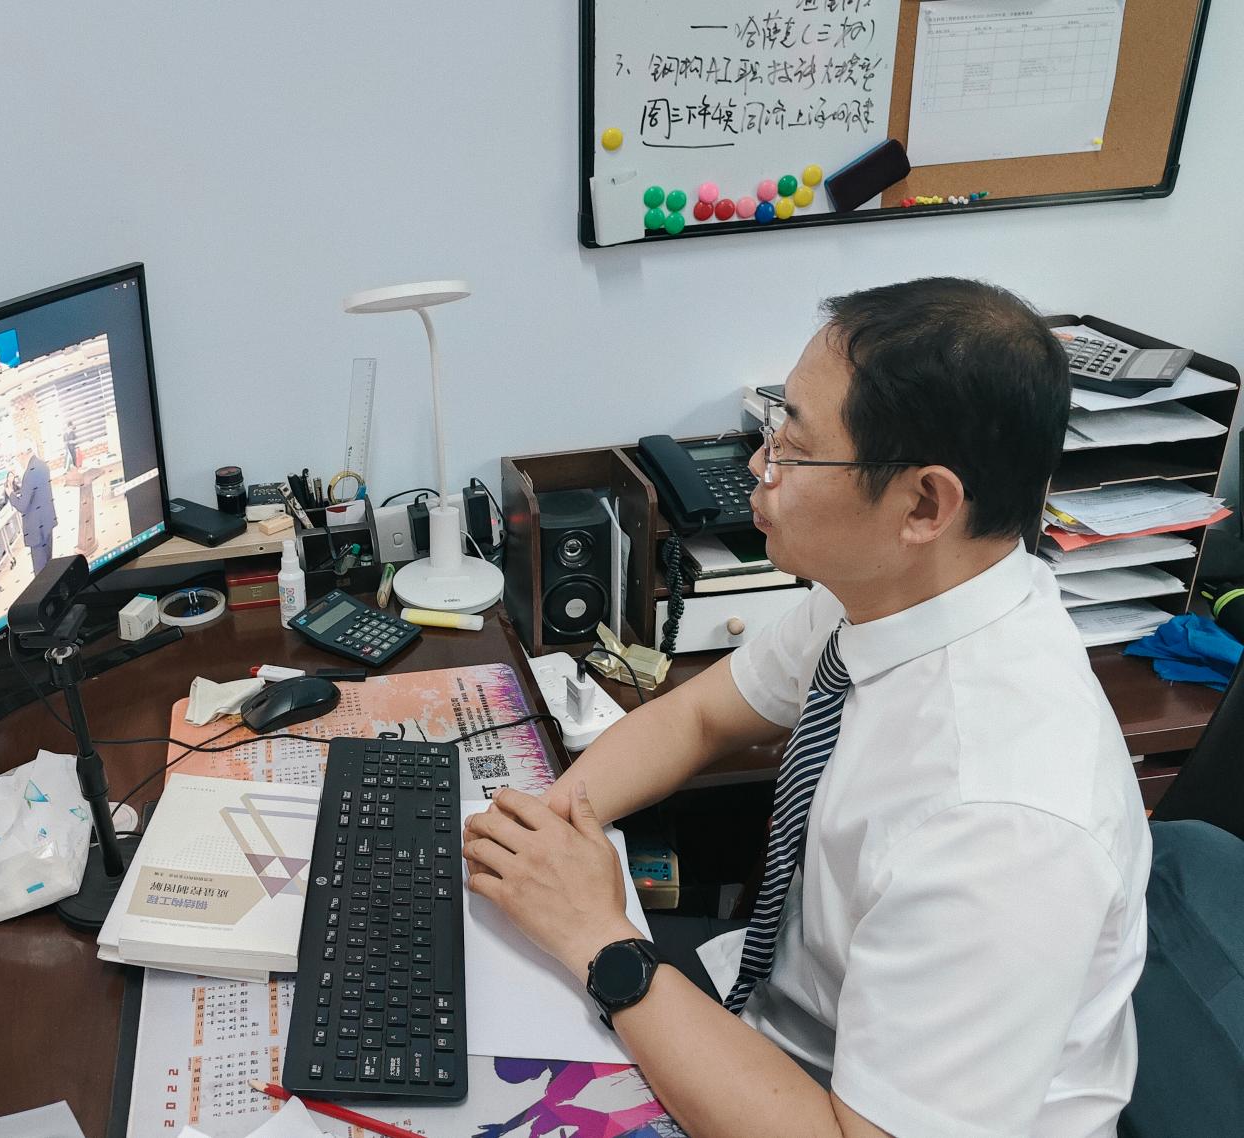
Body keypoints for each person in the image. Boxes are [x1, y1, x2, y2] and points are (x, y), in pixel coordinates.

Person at [462, 279, 1151, 1138]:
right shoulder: (889, 593)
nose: (759, 466)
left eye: (794, 447)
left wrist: (596, 938)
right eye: (771, 428)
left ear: (923, 505)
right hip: (789, 1023)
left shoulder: (1002, 822)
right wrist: (545, 835)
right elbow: (699, 716)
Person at [6, 445, 58, 575]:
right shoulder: (42, 465)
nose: (18, 461)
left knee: (41, 573)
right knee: (49, 563)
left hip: (36, 528)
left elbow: (22, 506)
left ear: (22, 454)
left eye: (18, 457)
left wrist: (10, 494)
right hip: (47, 521)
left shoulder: (29, 473)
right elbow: (35, 492)